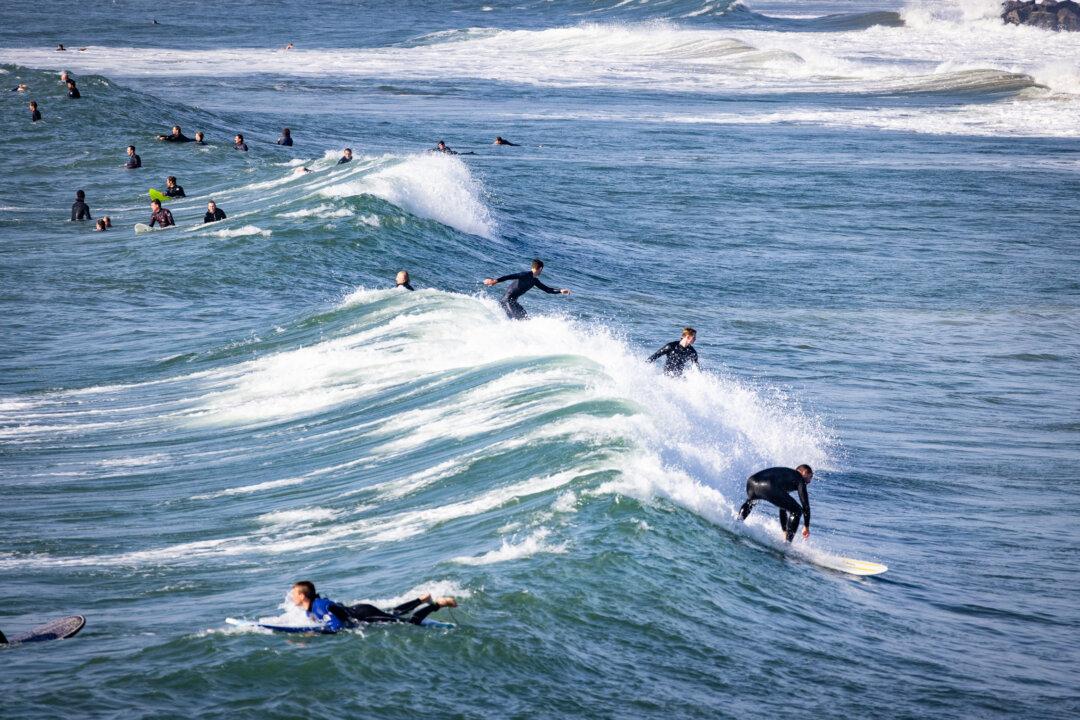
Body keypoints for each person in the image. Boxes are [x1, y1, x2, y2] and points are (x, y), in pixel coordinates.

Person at [289, 581, 457, 632]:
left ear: (302, 596)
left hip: (363, 614)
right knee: (392, 613)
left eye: (294, 593)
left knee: (408, 622)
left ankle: (438, 604)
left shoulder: (319, 607)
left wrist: (314, 633)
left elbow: (337, 626)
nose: (291, 596)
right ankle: (421, 599)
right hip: (361, 610)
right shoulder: (314, 607)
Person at [738, 465, 814, 542]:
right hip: (768, 485)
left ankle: (738, 523)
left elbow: (783, 507)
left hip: (751, 483)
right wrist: (806, 526)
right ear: (804, 472)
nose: (809, 481)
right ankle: (787, 543)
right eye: (810, 476)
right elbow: (805, 505)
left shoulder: (786, 476)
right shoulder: (799, 478)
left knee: (752, 501)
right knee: (797, 510)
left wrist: (785, 530)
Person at [483, 259, 571, 320]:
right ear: (540, 269)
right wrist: (495, 281)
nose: (541, 271)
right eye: (541, 270)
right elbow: (510, 276)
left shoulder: (534, 281)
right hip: (506, 301)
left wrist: (560, 291)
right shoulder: (525, 274)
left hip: (513, 302)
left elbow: (547, 290)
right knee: (516, 321)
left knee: (525, 319)